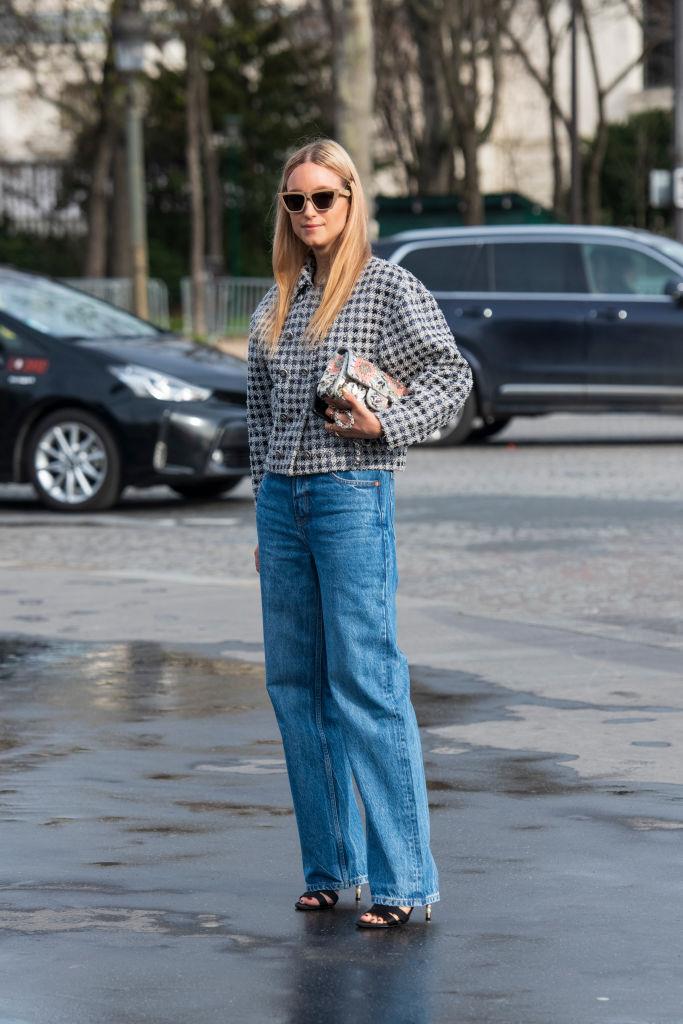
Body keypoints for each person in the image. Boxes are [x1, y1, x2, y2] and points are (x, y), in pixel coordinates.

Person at [246, 138, 473, 929]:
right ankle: (329, 867)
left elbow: (452, 375)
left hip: (348, 496)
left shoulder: (384, 288)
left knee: (365, 686)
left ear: (351, 201)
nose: (308, 212)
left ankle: (403, 881)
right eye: (295, 200)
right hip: (282, 504)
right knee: (293, 688)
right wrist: (259, 509)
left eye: (322, 198)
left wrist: (389, 424)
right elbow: (258, 415)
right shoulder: (276, 300)